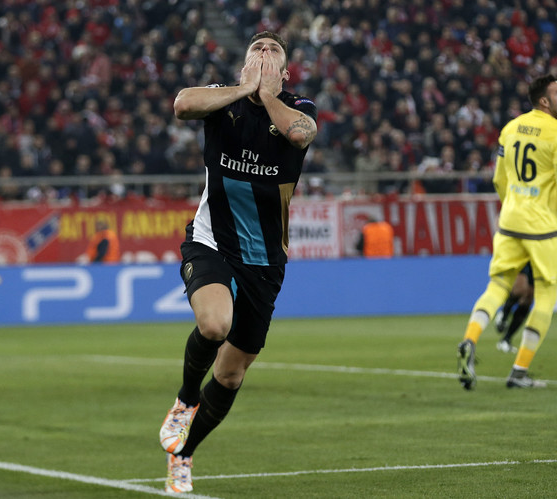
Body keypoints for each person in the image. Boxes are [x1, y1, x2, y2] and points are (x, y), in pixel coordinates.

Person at [158, 31, 317, 494]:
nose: (264, 56)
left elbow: (299, 134)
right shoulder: (220, 99)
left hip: (265, 263)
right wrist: (246, 90)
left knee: (230, 374)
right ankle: (185, 401)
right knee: (213, 325)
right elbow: (182, 105)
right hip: (212, 242)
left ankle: (183, 454)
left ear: (285, 72)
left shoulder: (299, 107)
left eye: (273, 53)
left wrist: (267, 97)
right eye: (257, 51)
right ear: (244, 66)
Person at [456, 74, 557, 390]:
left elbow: (499, 180)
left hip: (510, 222)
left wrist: (514, 206)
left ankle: (469, 340)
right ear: (544, 100)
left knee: (498, 286)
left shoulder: (510, 129)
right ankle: (519, 372)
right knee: (545, 294)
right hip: (544, 228)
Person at [493, 263, 534, 353]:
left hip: (539, 257)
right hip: (524, 254)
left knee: (528, 300)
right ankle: (504, 314)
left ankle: (506, 339)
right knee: (520, 289)